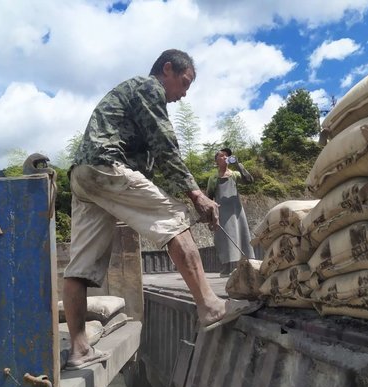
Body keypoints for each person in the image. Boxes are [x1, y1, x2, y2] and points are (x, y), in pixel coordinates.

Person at [62, 49, 261, 370]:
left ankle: (80, 348)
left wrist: (177, 194)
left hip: (84, 177)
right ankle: (210, 306)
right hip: (106, 167)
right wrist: (196, 196)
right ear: (167, 69)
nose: (182, 95)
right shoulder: (148, 87)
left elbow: (151, 171)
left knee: (79, 268)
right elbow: (166, 145)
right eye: (184, 83)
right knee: (174, 218)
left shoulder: (131, 96)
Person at [206, 148, 255, 277]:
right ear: (216, 161)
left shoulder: (234, 174)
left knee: (242, 237)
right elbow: (208, 198)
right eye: (221, 156)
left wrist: (239, 165)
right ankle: (225, 268)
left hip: (236, 211)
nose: (225, 158)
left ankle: (245, 267)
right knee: (223, 239)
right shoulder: (213, 178)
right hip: (221, 212)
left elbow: (249, 180)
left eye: (226, 156)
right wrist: (211, 217)